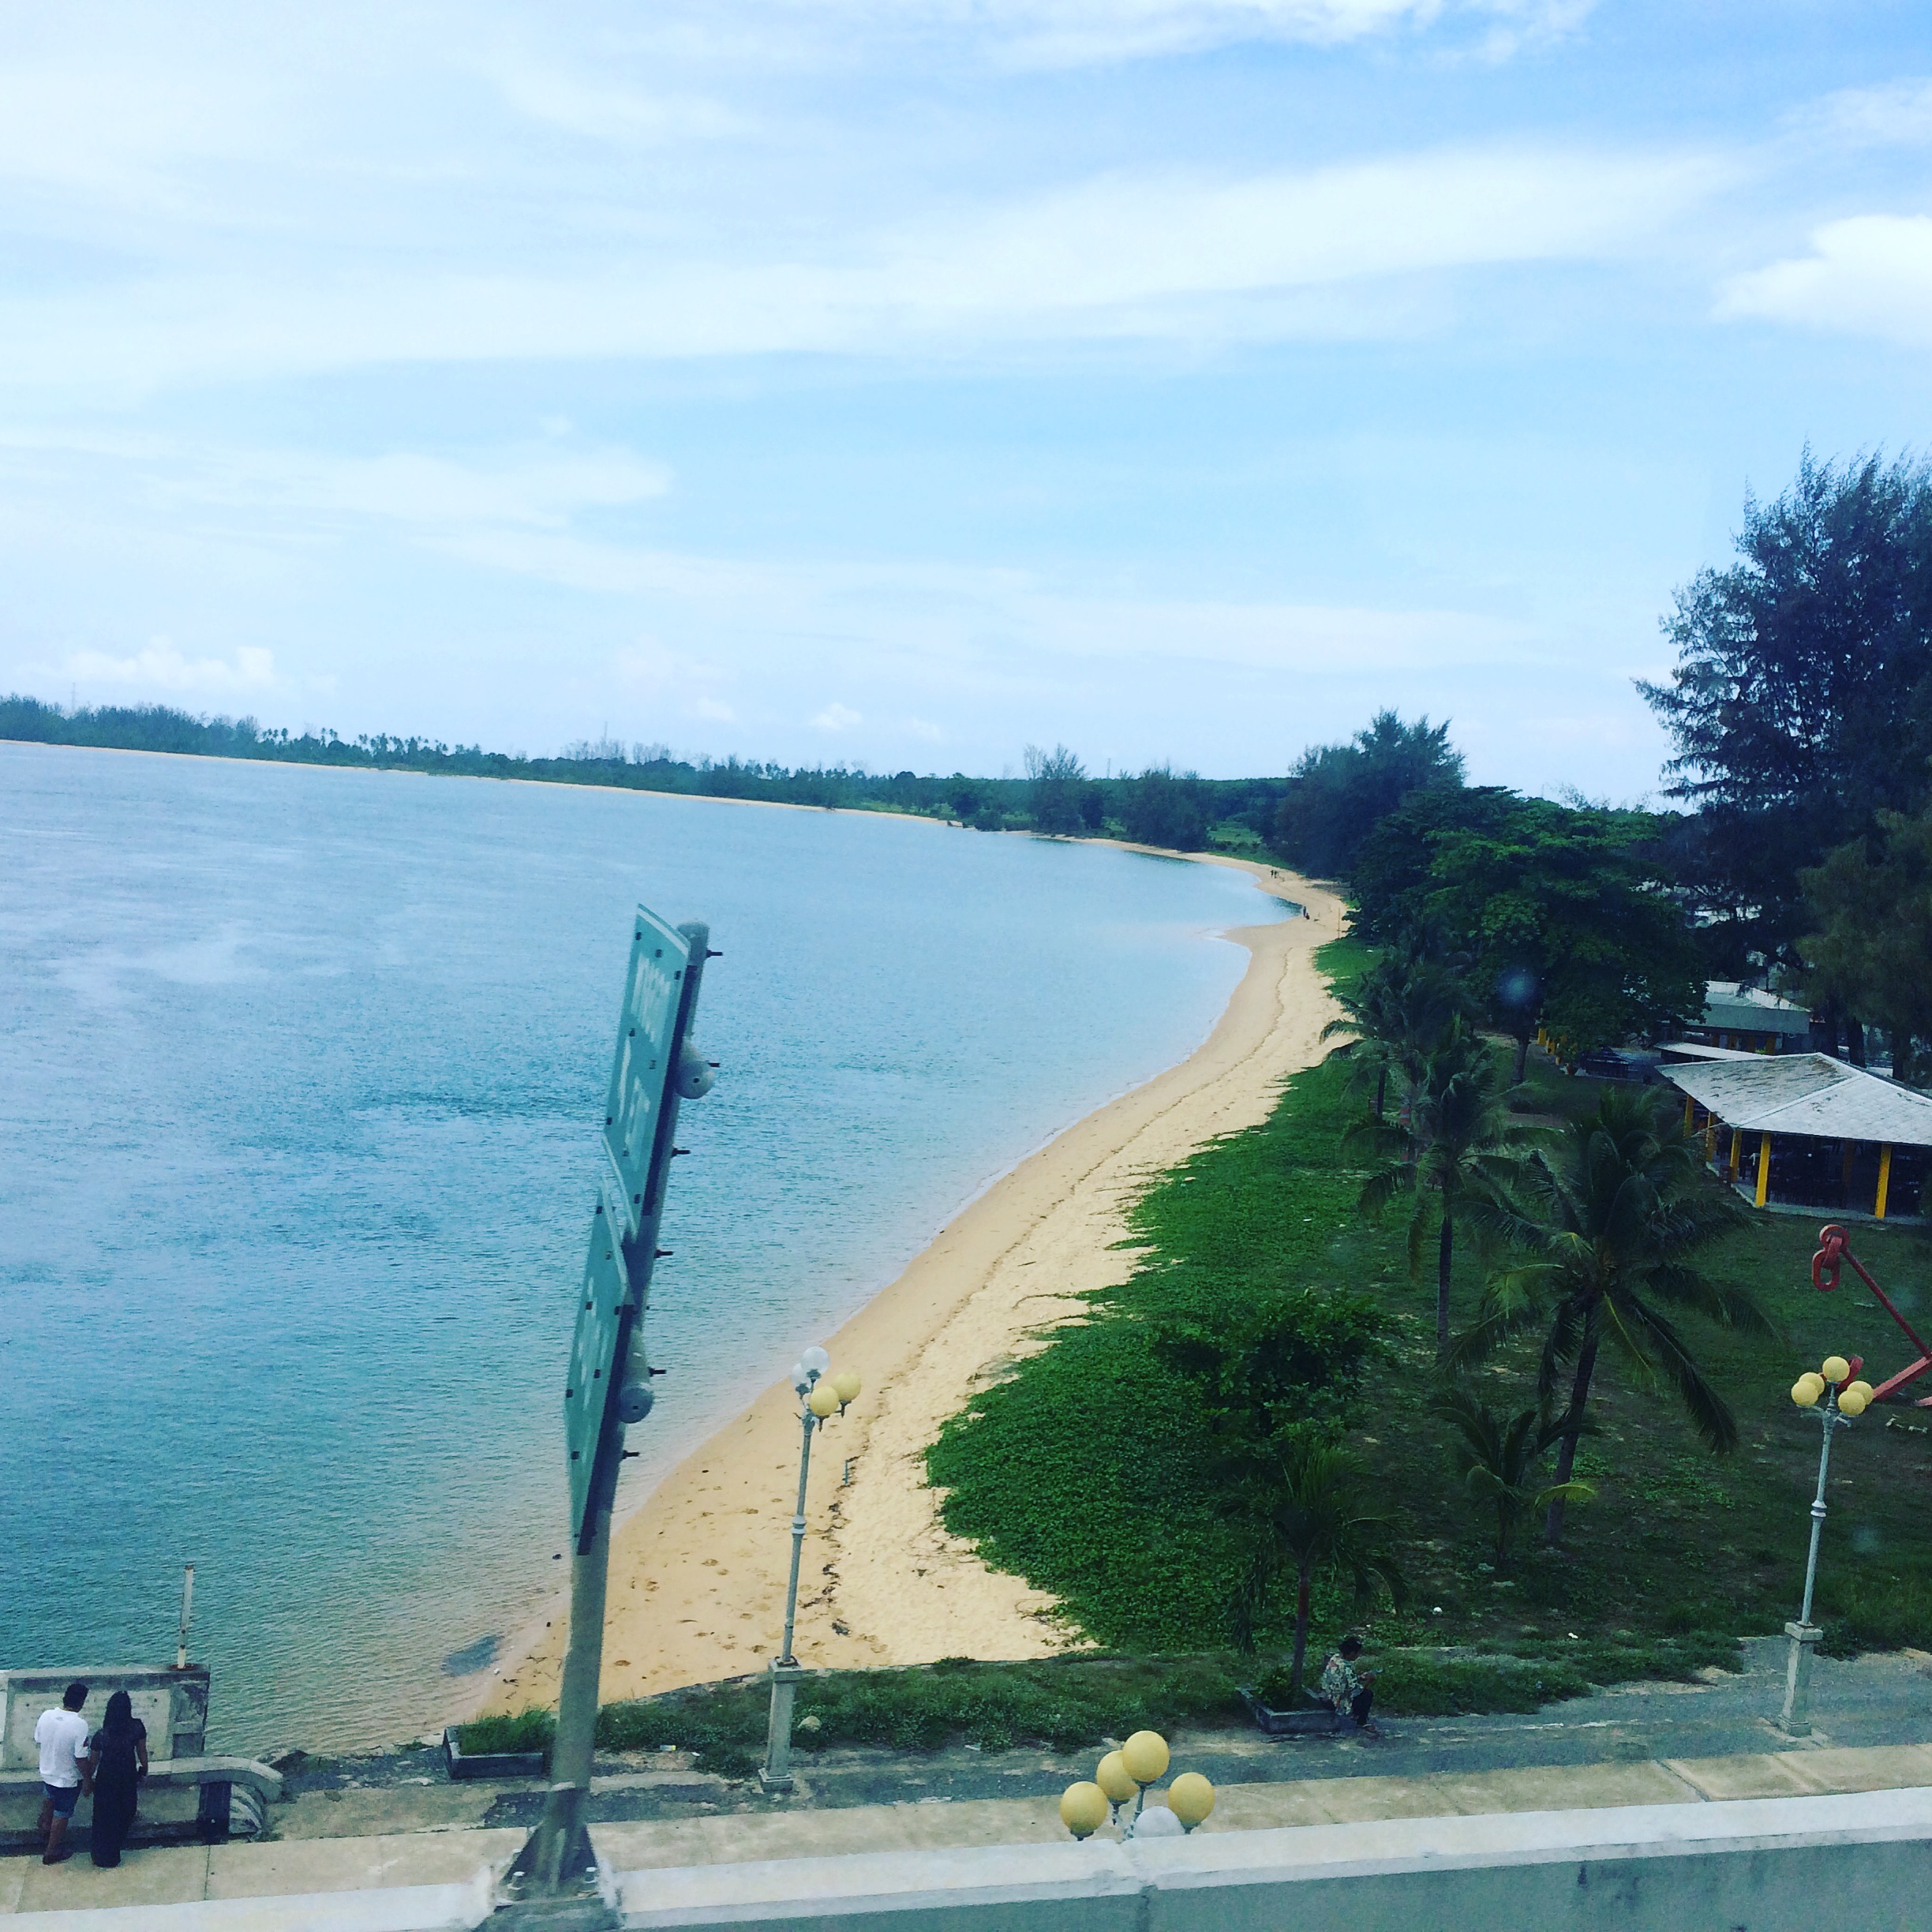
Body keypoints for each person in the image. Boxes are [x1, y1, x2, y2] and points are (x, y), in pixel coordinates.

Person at [82, 1690, 148, 1868]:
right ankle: (115, 1849)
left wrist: (88, 1781)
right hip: (127, 1776)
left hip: (106, 1778)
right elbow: (141, 1751)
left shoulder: (102, 1735)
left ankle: (101, 1854)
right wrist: (144, 1769)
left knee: (104, 1817)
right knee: (126, 1811)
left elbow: (93, 1763)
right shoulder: (137, 1727)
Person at [34, 1681, 91, 1865]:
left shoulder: (46, 1715)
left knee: (49, 1798)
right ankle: (51, 1851)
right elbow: (81, 1758)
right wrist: (88, 1780)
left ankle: (44, 1829)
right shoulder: (80, 1725)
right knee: (63, 1812)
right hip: (67, 1778)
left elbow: (38, 1739)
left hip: (47, 1771)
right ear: (81, 1702)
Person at [1319, 1635, 1380, 1736]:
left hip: (1326, 1694)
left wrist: (1358, 1677)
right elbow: (1356, 1691)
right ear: (1352, 1653)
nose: (1358, 1655)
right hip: (1335, 1701)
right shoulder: (1346, 1668)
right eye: (1357, 1653)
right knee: (1367, 1694)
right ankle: (1362, 1722)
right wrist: (1369, 1680)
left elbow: (1342, 1679)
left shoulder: (1335, 1658)